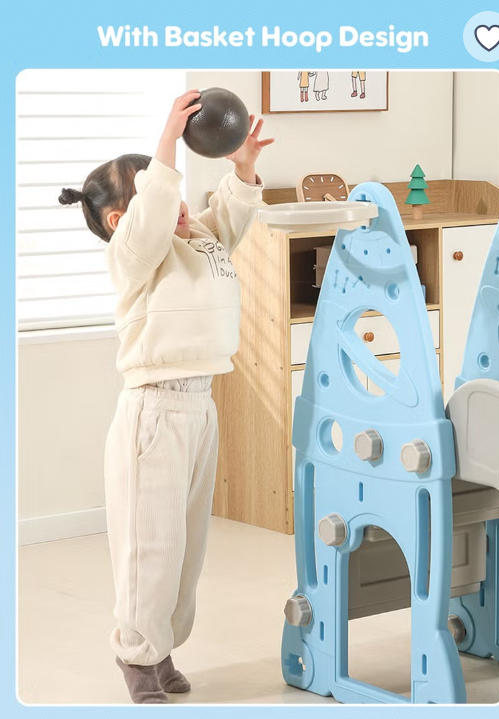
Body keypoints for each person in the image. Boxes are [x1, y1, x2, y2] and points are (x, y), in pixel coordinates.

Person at [58, 90, 273, 703]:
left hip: (201, 406)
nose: (177, 205)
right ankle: (136, 653)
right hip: (153, 411)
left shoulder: (197, 238)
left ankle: (163, 644)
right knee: (148, 544)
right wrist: (167, 143)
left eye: (176, 196)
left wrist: (243, 167)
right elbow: (152, 213)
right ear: (121, 222)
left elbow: (231, 214)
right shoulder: (134, 257)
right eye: (158, 195)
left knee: (186, 545)